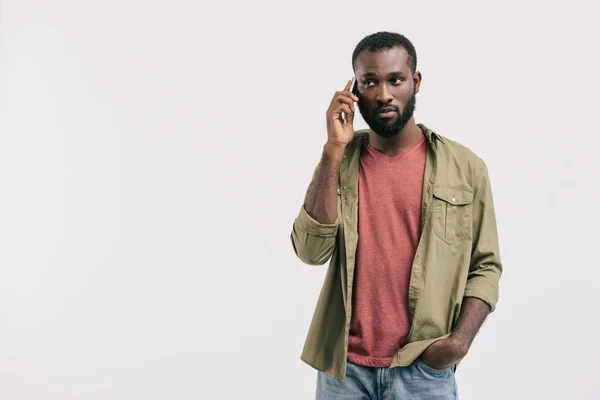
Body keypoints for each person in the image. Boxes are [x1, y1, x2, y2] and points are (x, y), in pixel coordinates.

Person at [290, 31, 502, 399]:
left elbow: (485, 267)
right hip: (345, 373)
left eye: (395, 80)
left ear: (415, 82)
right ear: (355, 89)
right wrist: (332, 150)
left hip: (423, 371)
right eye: (370, 82)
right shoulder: (339, 161)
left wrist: (458, 343)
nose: (384, 94)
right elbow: (310, 252)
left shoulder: (465, 167)